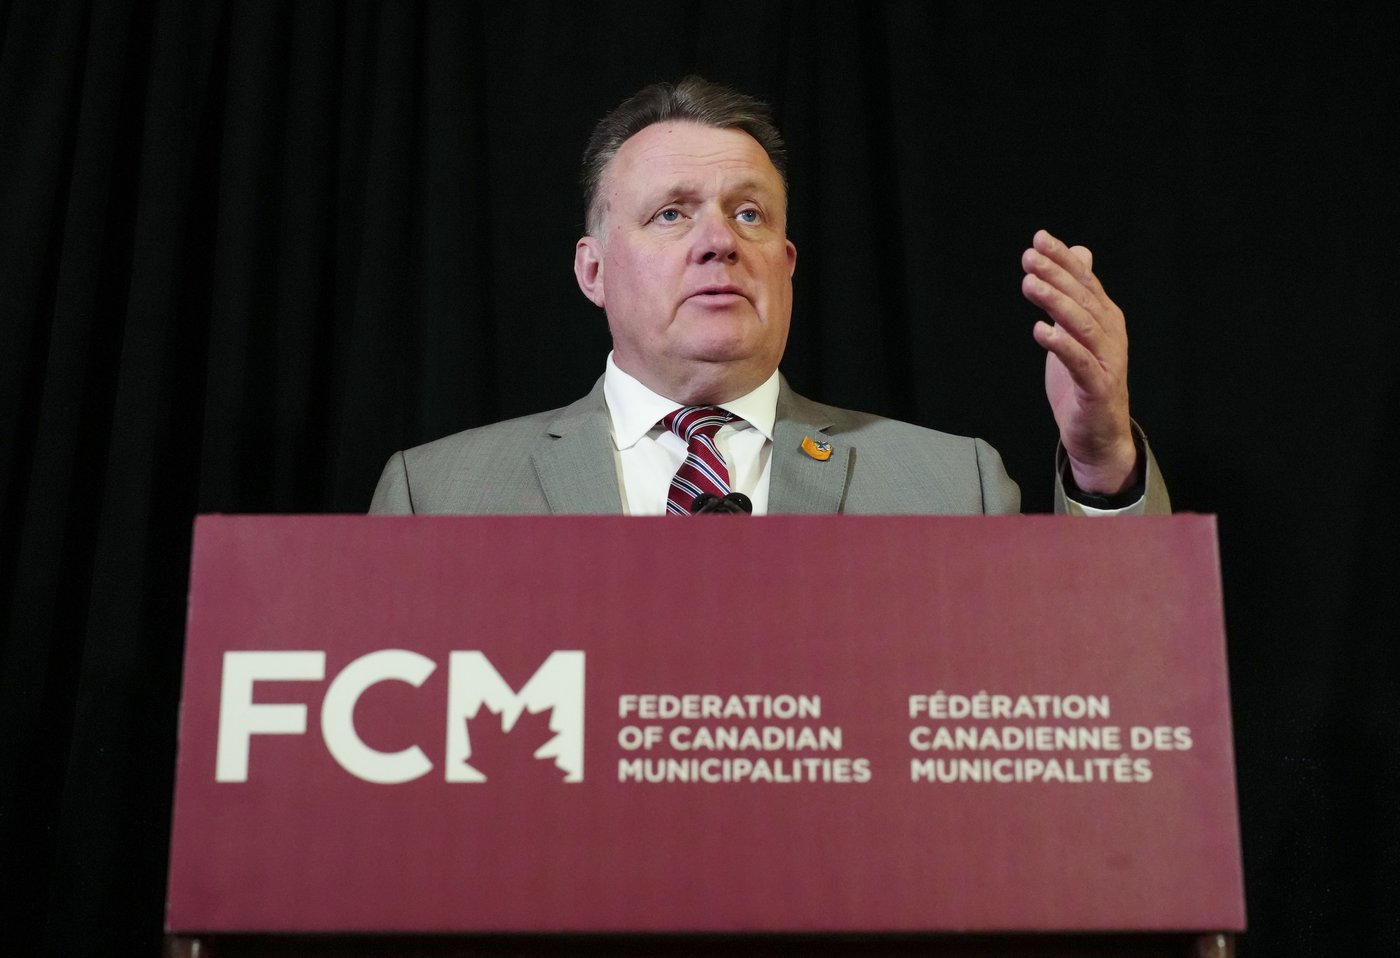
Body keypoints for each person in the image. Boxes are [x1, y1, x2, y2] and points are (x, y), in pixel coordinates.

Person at [370, 77, 1168, 517]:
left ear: (786, 264)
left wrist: (1102, 464)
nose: (719, 240)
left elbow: (1097, 676)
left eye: (749, 213)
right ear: (593, 270)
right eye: (671, 213)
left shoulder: (953, 487)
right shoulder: (436, 497)